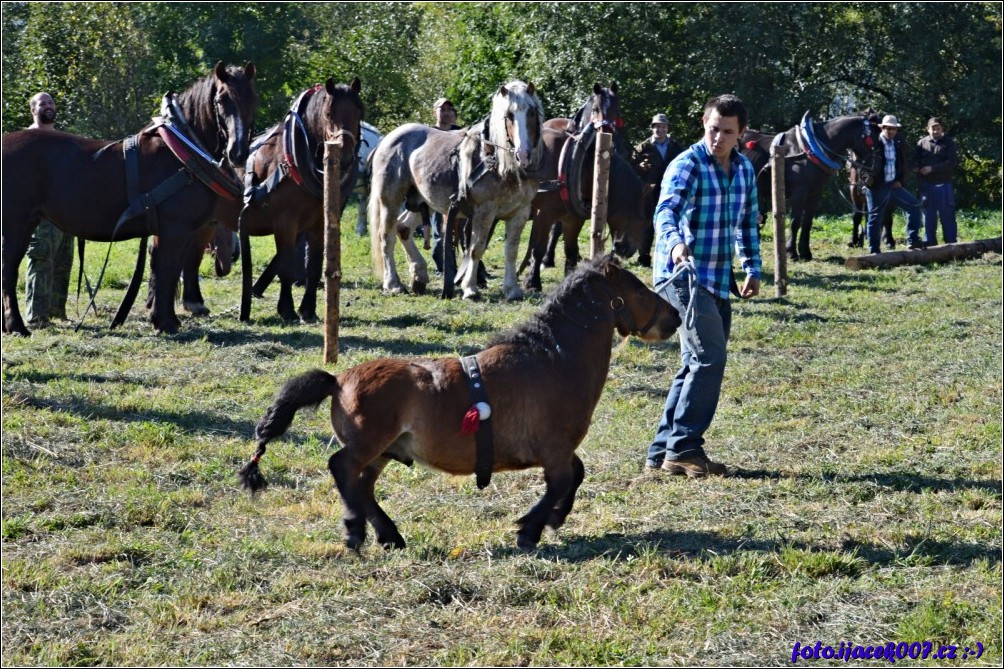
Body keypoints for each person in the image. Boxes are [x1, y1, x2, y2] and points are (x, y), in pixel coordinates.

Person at [644, 94, 761, 478]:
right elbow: (666, 210)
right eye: (713, 130)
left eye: (728, 132)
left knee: (695, 363)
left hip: (717, 277)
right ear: (703, 124)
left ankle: (662, 452)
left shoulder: (744, 170)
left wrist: (752, 267)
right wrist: (676, 242)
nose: (718, 139)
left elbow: (746, 222)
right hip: (682, 277)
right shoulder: (687, 164)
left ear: (741, 133)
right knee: (710, 358)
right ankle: (685, 448)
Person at [25, 92, 74, 326]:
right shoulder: (27, 140)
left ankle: (57, 312)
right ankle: (36, 317)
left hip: (65, 210)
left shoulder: (62, 140)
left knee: (64, 260)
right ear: (33, 110)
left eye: (51, 102)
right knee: (41, 257)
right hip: (39, 212)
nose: (48, 106)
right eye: (42, 103)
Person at [863, 115, 924, 253]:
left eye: (894, 129)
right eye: (888, 129)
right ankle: (874, 250)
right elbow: (862, 165)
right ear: (882, 128)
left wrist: (899, 180)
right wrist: (867, 178)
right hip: (877, 187)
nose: (891, 132)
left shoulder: (897, 143)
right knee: (875, 218)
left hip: (892, 185)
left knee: (914, 205)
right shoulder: (873, 144)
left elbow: (901, 164)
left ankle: (913, 241)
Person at [632, 113, 684, 267]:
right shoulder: (642, 147)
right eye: (657, 126)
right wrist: (639, 168)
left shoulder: (675, 146)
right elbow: (630, 168)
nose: (660, 129)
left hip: (671, 190)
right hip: (649, 191)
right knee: (648, 223)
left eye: (663, 126)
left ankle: (672, 255)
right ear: (652, 128)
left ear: (667, 128)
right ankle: (644, 256)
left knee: (672, 221)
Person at [427, 97, 462, 272]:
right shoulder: (429, 134)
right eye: (442, 109)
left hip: (461, 186)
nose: (447, 113)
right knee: (440, 233)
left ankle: (475, 269)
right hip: (438, 185)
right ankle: (443, 268)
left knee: (465, 232)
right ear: (435, 112)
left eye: (449, 109)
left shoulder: (461, 132)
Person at [915, 116, 958, 246]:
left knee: (948, 217)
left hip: (944, 186)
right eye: (933, 128)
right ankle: (930, 245)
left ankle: (951, 246)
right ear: (927, 129)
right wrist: (916, 168)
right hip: (927, 187)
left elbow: (952, 163)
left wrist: (932, 169)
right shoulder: (921, 143)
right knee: (928, 217)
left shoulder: (949, 143)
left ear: (942, 128)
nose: (935, 131)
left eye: (938, 128)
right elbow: (915, 161)